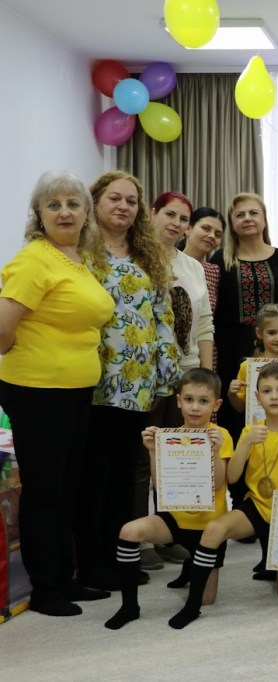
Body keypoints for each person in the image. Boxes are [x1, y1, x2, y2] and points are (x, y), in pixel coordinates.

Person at [0, 171, 115, 616]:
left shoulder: (73, 259)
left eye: (73, 204)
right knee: (46, 491)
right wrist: (33, 357)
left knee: (67, 488)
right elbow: (3, 328)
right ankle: (46, 588)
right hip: (38, 390)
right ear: (39, 214)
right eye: (54, 205)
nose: (64, 212)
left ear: (86, 214)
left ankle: (65, 578)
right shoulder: (35, 259)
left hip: (74, 390)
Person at [77, 171, 180, 592]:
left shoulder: (147, 254)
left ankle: (121, 558)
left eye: (131, 201)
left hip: (137, 383)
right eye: (114, 198)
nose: (123, 206)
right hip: (94, 381)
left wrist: (165, 372)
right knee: (95, 474)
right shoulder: (79, 251)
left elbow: (162, 314)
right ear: (96, 202)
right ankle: (92, 563)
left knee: (125, 475)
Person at [168, 362, 278, 629]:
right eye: (267, 391)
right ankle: (192, 605)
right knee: (214, 529)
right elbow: (232, 477)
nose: (274, 396)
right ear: (257, 397)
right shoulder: (250, 431)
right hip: (256, 506)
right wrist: (247, 442)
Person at [104, 369, 233, 629]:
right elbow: (161, 486)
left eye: (203, 401)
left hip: (208, 528)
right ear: (179, 401)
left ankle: (192, 581)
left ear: (216, 405)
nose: (195, 407)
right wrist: (153, 451)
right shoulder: (169, 436)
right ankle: (129, 606)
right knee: (129, 531)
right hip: (175, 519)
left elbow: (219, 482)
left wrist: (215, 451)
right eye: (189, 399)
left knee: (206, 600)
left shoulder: (220, 435)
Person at [212, 193, 278, 441]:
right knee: (235, 413)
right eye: (240, 215)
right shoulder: (220, 259)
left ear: (264, 219)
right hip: (231, 351)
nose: (247, 218)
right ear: (232, 223)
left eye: (253, 213)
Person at [152, 192, 214, 376]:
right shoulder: (135, 260)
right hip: (147, 368)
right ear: (153, 214)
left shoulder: (194, 267)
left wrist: (207, 375)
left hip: (188, 368)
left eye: (183, 219)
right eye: (170, 214)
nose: (176, 223)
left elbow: (204, 324)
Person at [180, 208, 226, 367]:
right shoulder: (169, 263)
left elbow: (209, 322)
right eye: (206, 228)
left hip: (205, 355)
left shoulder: (214, 271)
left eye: (218, 234)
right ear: (188, 229)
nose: (212, 236)